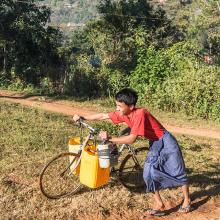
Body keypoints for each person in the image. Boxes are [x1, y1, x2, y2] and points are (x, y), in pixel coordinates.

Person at [72, 88, 191, 216]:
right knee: (147, 174)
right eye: (116, 105)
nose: (117, 109)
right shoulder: (123, 113)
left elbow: (131, 139)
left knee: (177, 170)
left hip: (166, 141)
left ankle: (187, 199)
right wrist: (83, 117)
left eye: (119, 106)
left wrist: (110, 138)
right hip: (155, 143)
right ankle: (159, 204)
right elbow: (103, 115)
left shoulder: (140, 113)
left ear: (131, 106)